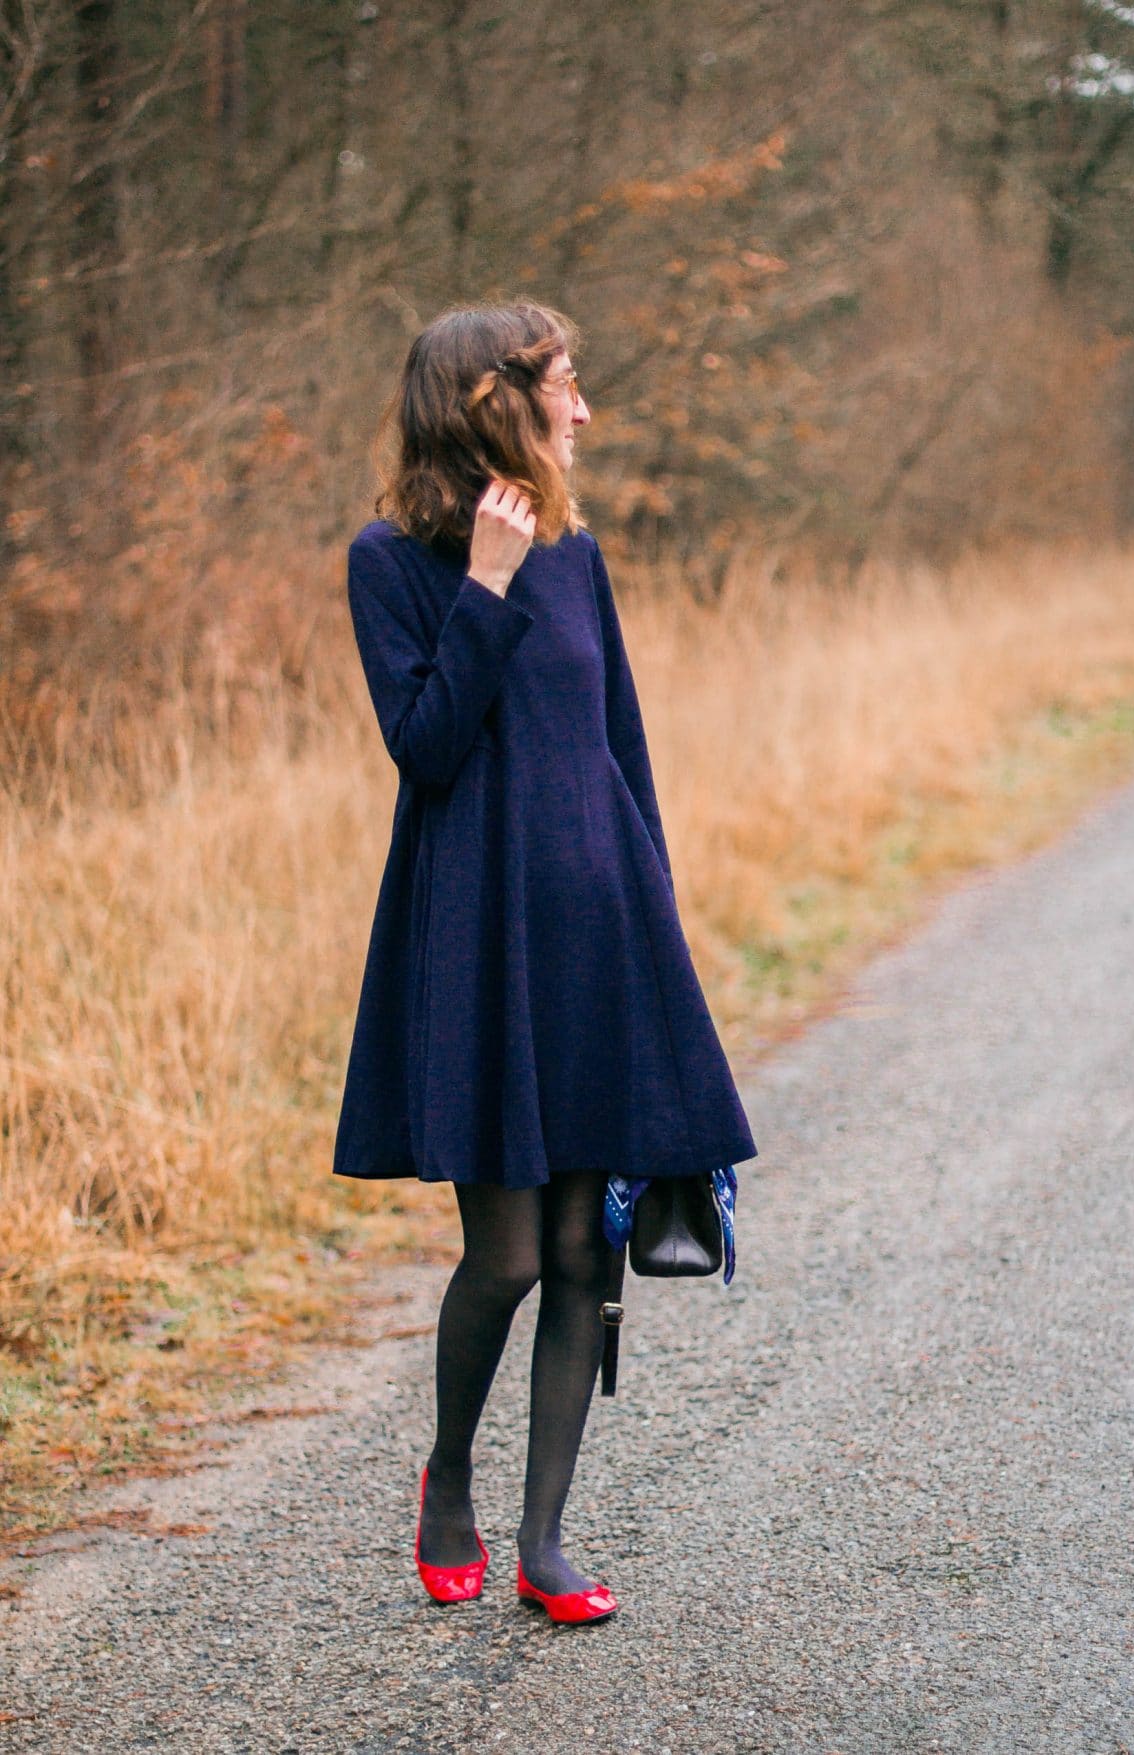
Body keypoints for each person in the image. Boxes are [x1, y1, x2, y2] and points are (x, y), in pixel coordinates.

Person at [333, 300, 758, 1625]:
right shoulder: (391, 562)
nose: (582, 409)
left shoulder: (580, 555)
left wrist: (655, 924)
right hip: (479, 939)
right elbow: (427, 749)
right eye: (565, 385)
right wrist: (487, 584)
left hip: (598, 930)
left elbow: (623, 749)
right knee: (509, 1255)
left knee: (585, 1252)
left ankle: (545, 1539)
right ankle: (449, 1478)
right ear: (495, 403)